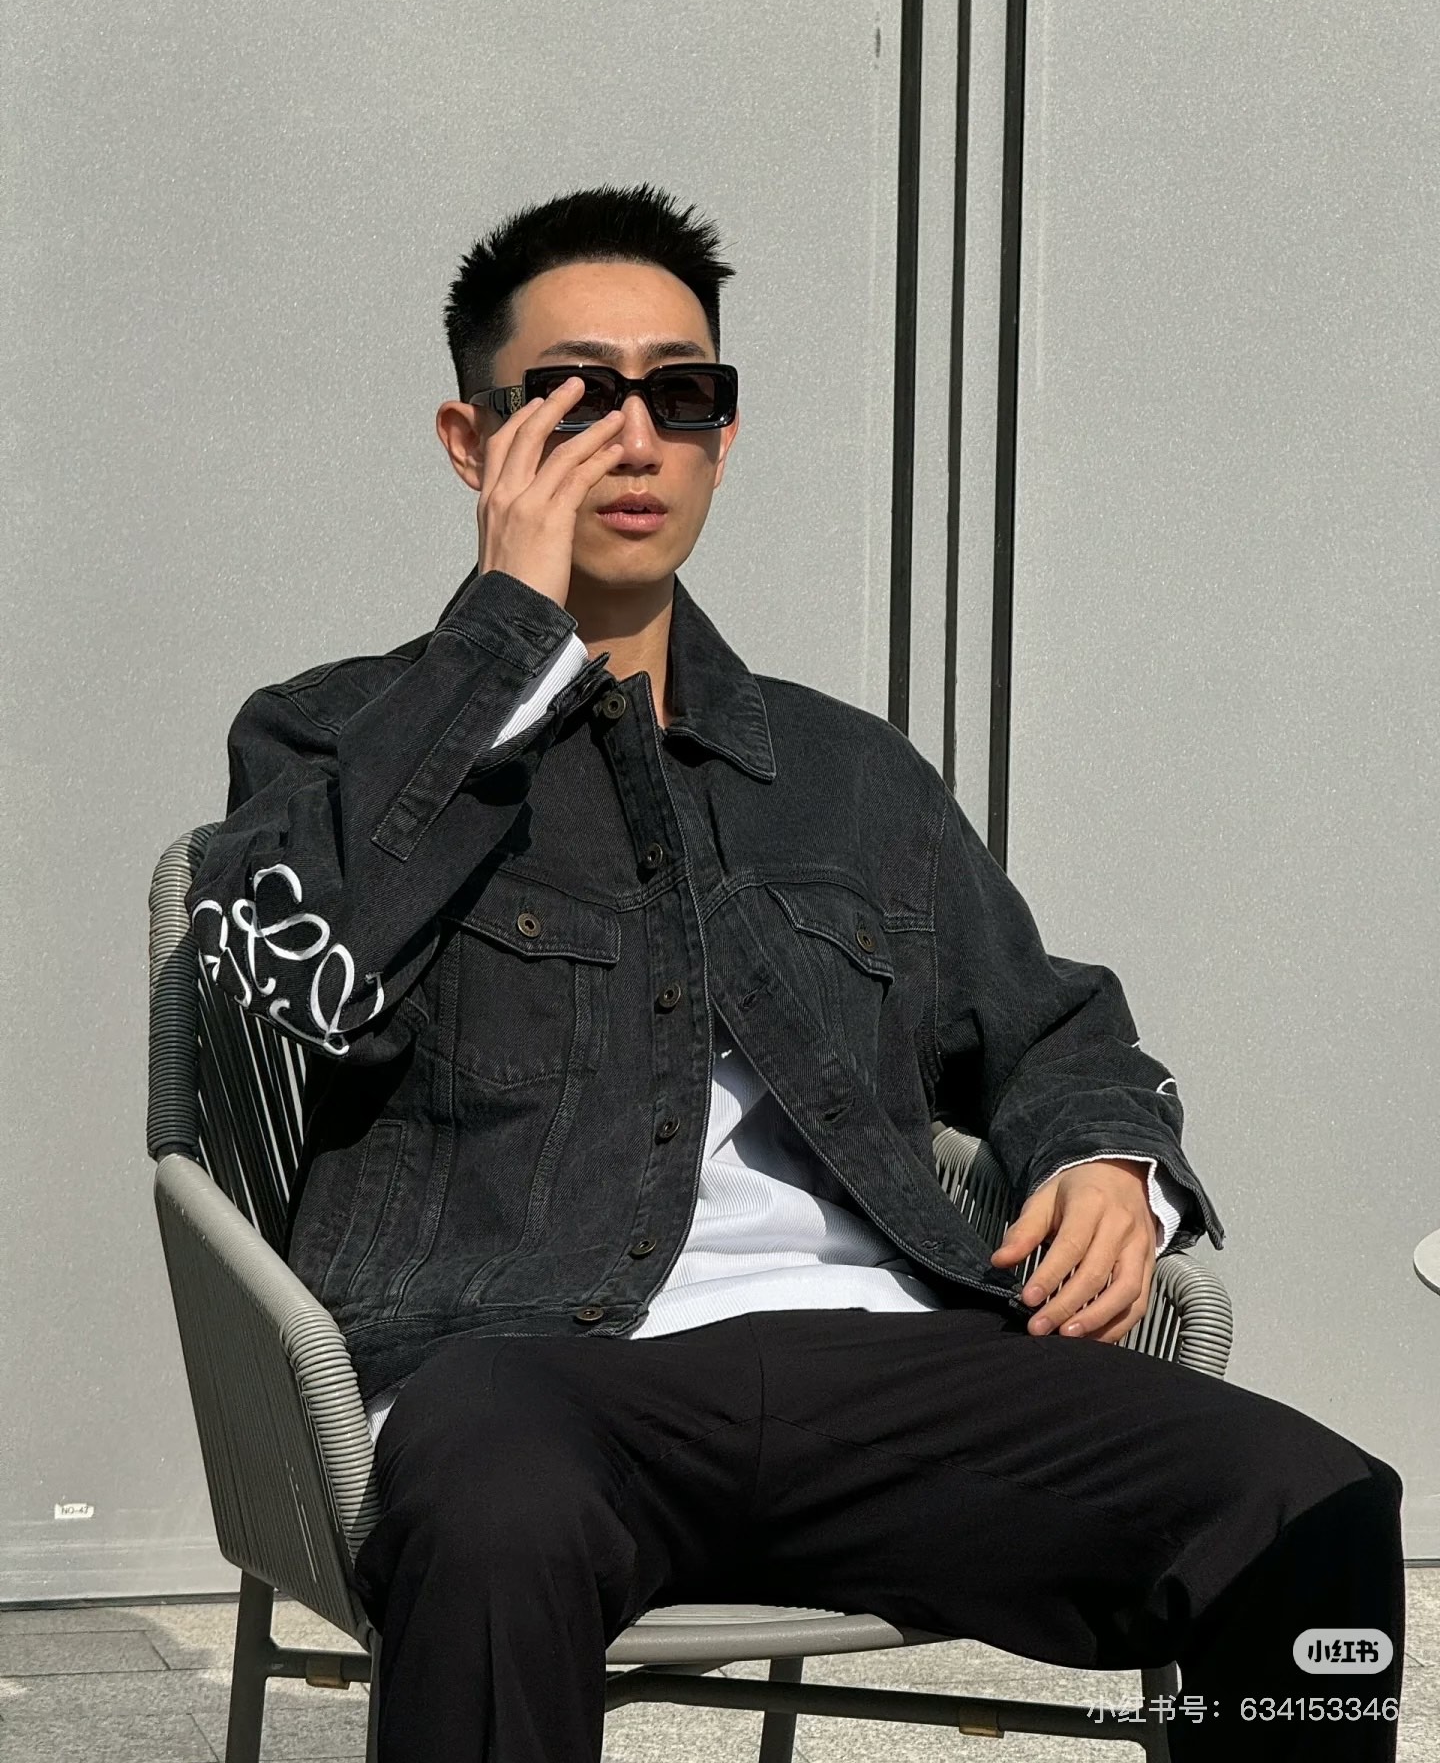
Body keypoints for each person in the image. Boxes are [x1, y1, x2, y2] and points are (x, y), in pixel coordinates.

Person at [186, 184, 1405, 1761]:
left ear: (725, 436)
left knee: (1309, 1507)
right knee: (495, 1515)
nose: (636, 440)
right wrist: (503, 639)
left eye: (681, 395)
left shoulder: (848, 777)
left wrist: (1110, 1160)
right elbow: (283, 1000)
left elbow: (1051, 1027)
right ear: (471, 441)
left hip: (886, 1372)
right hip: (528, 1370)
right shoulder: (329, 736)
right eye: (574, 397)